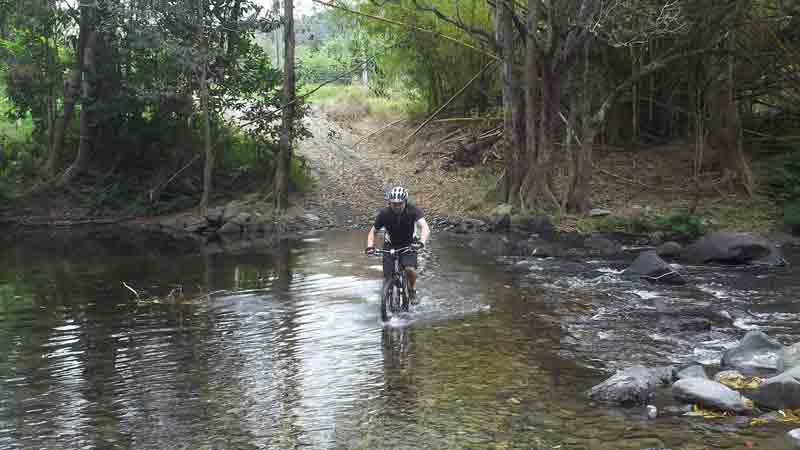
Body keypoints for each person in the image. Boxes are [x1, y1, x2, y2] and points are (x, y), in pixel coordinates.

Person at [365, 186, 430, 304]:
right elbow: (373, 232)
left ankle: (412, 289)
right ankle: (387, 293)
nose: (397, 206)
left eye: (400, 203)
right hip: (390, 244)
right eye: (394, 204)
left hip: (409, 243)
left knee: (409, 268)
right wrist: (370, 247)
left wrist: (421, 243)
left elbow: (424, 227)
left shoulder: (413, 210)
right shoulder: (384, 213)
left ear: (405, 202)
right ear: (389, 203)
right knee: (388, 276)